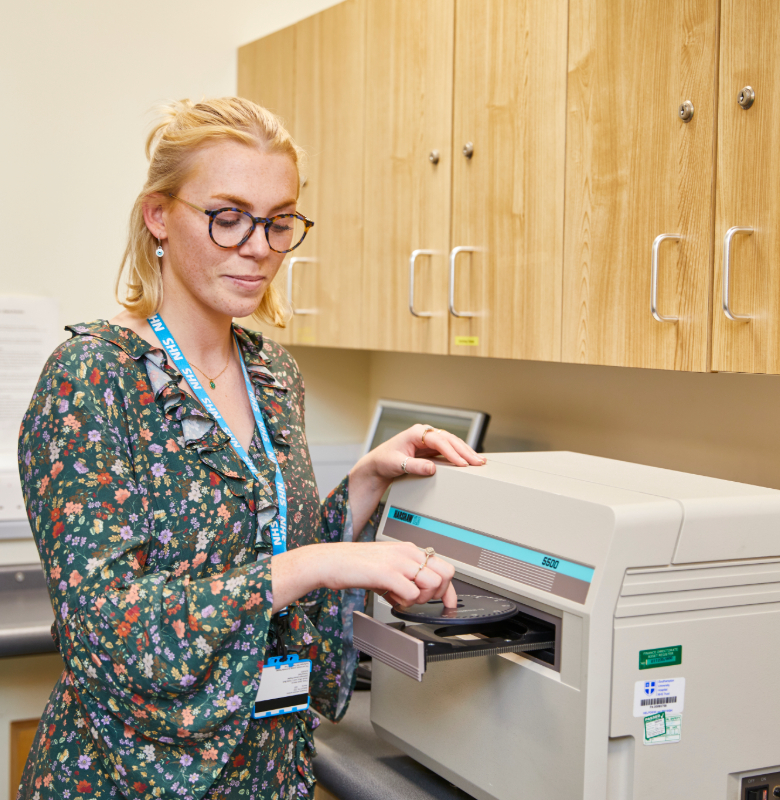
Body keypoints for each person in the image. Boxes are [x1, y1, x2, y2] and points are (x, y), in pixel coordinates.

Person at [16, 97, 485, 799]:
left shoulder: (271, 372)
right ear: (158, 218)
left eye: (279, 220)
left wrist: (363, 484)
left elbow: (267, 555)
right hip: (131, 775)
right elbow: (107, 628)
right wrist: (315, 562)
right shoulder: (92, 379)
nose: (259, 246)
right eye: (227, 216)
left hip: (266, 764)